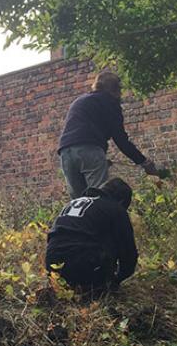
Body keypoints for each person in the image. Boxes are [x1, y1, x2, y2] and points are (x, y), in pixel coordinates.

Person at [57, 70, 159, 198]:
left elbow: (81, 134)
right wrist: (143, 162)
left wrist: (99, 157)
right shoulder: (110, 103)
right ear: (115, 90)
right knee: (98, 198)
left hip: (65, 152)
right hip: (90, 150)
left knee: (78, 203)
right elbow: (121, 140)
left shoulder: (80, 100)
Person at [45, 177, 138, 296]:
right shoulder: (115, 208)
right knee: (111, 240)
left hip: (53, 266)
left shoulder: (73, 203)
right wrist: (116, 280)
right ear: (121, 201)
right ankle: (97, 287)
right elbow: (128, 253)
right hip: (84, 267)